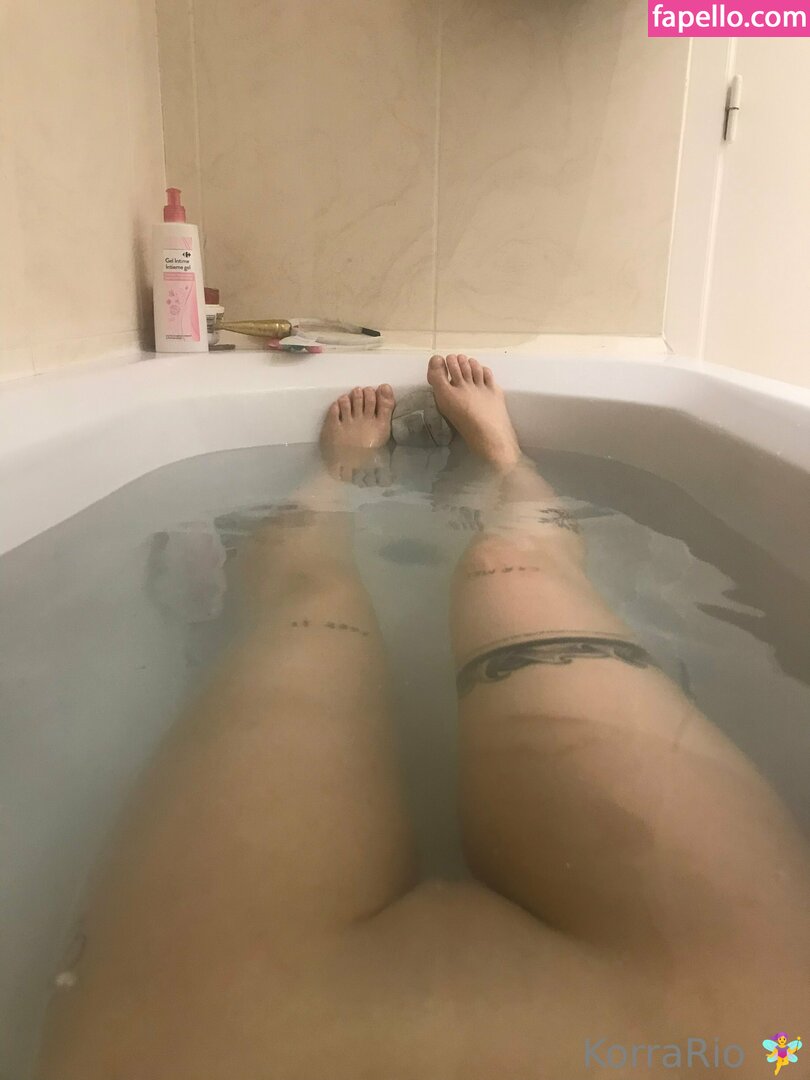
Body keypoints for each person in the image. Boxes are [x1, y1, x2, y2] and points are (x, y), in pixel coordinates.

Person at [41, 357, 810, 1079]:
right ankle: (506, 470)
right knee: (515, 566)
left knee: (306, 597)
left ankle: (340, 480)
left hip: (209, 1037)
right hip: (740, 1035)